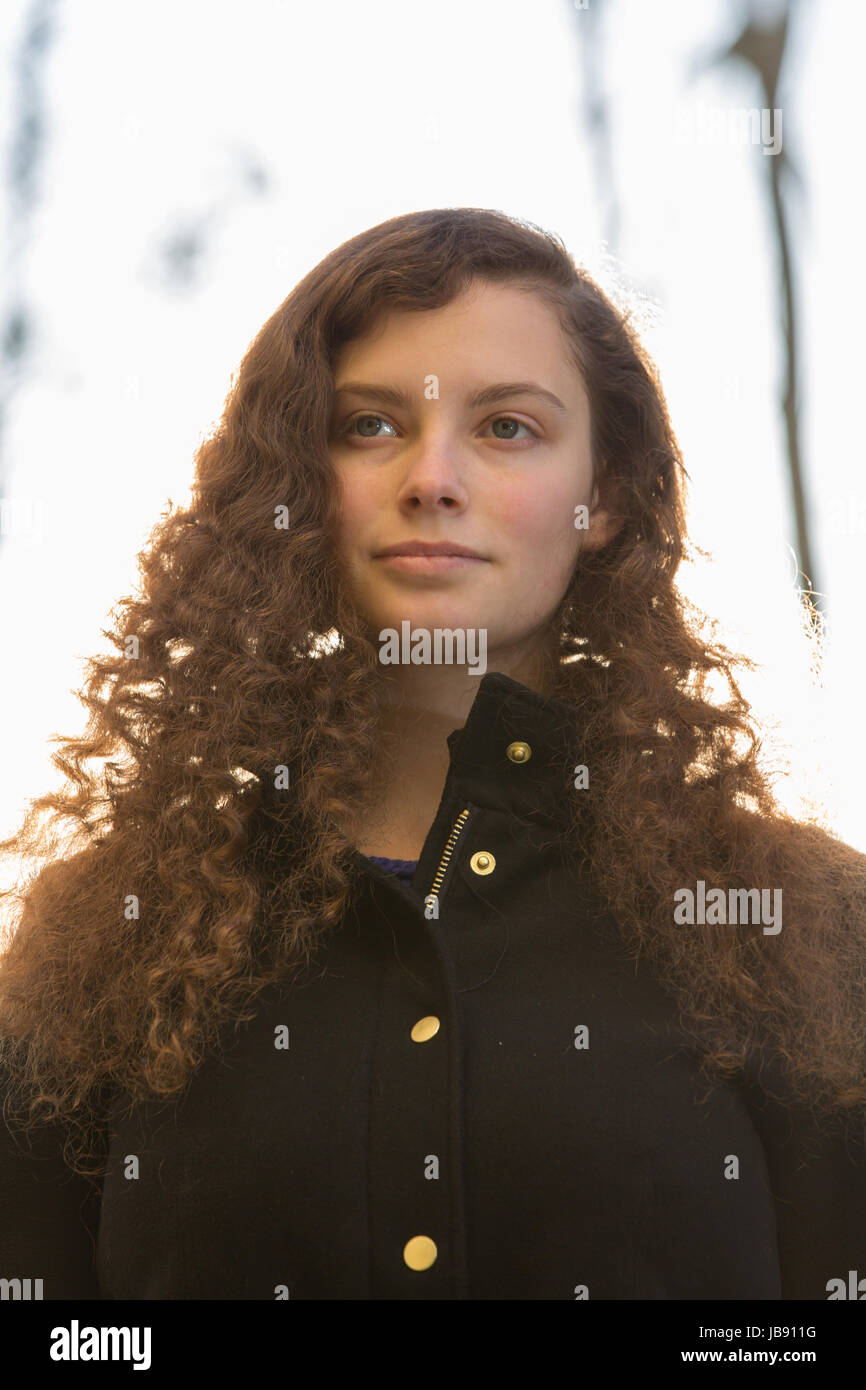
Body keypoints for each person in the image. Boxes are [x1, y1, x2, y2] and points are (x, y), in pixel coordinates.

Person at [1, 207, 865, 1301]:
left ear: (602, 501)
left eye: (506, 427)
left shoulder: (800, 926)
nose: (431, 478)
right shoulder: (102, 949)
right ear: (296, 488)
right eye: (368, 426)